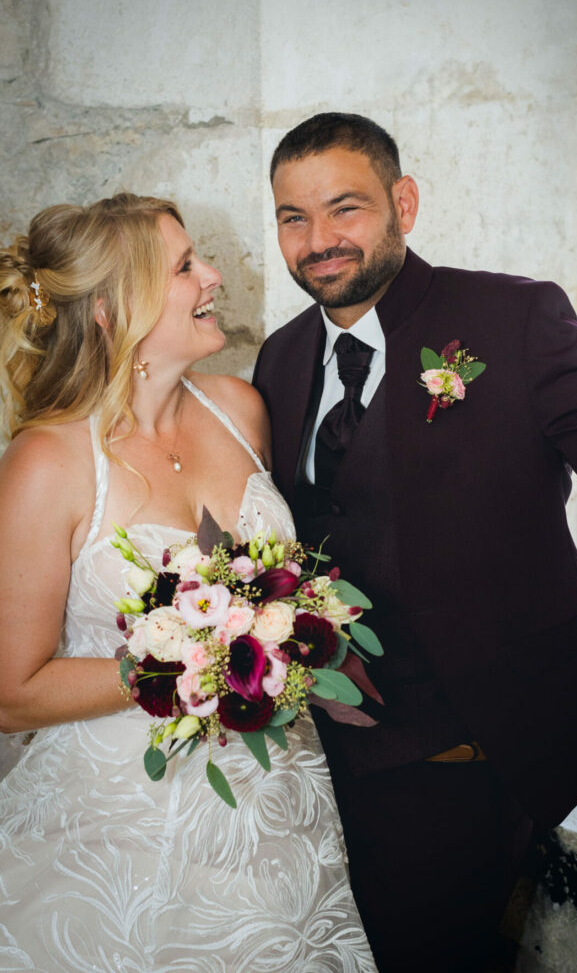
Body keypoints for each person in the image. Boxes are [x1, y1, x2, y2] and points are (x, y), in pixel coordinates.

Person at [253, 112, 577, 972]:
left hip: (477, 739)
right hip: (337, 743)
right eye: (293, 217)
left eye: (344, 208)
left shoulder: (512, 319)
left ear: (403, 203)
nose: (319, 241)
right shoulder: (279, 360)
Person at [0, 193, 377, 972]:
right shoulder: (49, 463)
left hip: (277, 807)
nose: (212, 276)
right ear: (111, 310)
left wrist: (299, 635)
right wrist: (193, 662)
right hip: (120, 828)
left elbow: (286, 582)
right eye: (183, 267)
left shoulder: (240, 409)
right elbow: (11, 692)